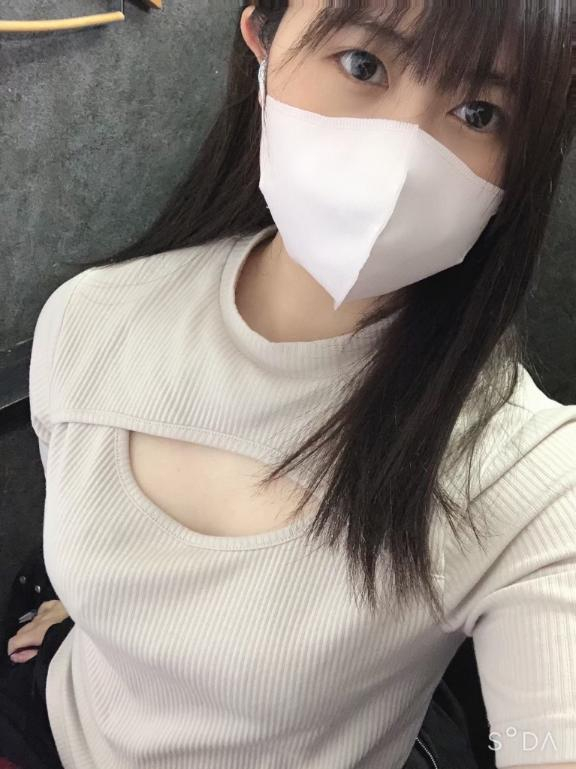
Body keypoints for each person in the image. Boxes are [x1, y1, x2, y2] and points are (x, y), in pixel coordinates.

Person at [3, 1, 575, 768]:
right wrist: (94, 607)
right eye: (363, 64)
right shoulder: (91, 320)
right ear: (263, 42)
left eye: (479, 112)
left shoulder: (527, 474)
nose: (397, 158)